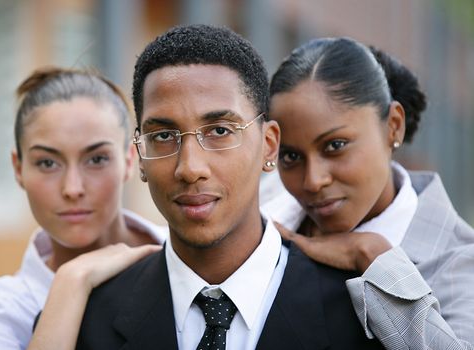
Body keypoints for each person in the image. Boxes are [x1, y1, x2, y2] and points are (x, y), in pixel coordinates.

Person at [76, 24, 385, 350]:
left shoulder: (363, 316)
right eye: (164, 136)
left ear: (268, 145)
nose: (190, 168)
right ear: (140, 156)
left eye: (220, 131)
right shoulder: (86, 319)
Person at [264, 37, 474, 349]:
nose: (313, 181)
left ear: (393, 126)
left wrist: (373, 255)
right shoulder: (263, 220)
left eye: (335, 146)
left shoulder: (459, 262)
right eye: (291, 156)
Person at [0, 67, 165, 350]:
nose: (72, 188)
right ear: (18, 168)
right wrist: (72, 282)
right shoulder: (1, 310)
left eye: (96, 159)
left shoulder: (189, 257)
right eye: (48, 163)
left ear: (130, 160)